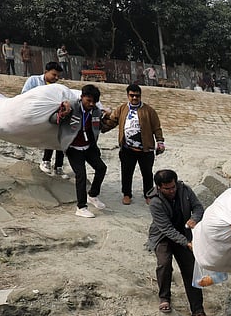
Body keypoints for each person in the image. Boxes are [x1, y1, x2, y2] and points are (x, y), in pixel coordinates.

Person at [146, 169, 209, 316]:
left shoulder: (185, 190)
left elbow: (198, 208)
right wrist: (187, 243)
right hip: (163, 237)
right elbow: (166, 228)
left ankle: (198, 310)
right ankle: (164, 298)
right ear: (159, 187)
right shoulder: (154, 201)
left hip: (184, 232)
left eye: (173, 187)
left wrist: (194, 219)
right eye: (167, 188)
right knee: (164, 264)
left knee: (190, 270)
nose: (172, 191)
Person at [49, 83, 117, 218]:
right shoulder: (71, 106)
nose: (91, 104)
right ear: (82, 97)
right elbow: (52, 119)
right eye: (88, 100)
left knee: (101, 168)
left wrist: (111, 119)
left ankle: (92, 195)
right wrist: (63, 113)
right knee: (81, 175)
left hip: (89, 146)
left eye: (94, 101)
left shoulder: (97, 111)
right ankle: (81, 207)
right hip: (73, 147)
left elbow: (101, 128)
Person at [106, 83, 164, 205]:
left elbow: (157, 127)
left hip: (145, 149)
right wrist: (100, 126)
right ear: (128, 95)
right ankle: (127, 194)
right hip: (127, 148)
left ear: (140, 96)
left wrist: (160, 142)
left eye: (137, 96)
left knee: (147, 173)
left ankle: (148, 194)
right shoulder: (122, 109)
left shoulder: (149, 110)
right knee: (126, 172)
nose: (134, 98)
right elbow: (112, 122)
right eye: (132, 95)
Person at [21, 61, 68, 178]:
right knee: (50, 135)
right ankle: (46, 161)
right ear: (46, 72)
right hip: (37, 115)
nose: (56, 78)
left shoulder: (57, 87)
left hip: (54, 116)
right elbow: (24, 96)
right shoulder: (34, 80)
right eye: (54, 75)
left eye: (58, 76)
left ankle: (59, 166)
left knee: (60, 134)